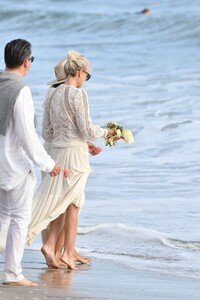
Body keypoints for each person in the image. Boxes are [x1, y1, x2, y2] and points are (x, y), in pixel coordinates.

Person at [26, 50, 117, 270]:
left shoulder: (51, 93)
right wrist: (109, 133)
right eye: (87, 75)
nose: (86, 80)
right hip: (74, 156)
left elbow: (48, 133)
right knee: (70, 204)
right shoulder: (78, 94)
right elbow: (87, 129)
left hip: (55, 152)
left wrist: (83, 144)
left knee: (63, 202)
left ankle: (63, 250)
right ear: (79, 72)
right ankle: (59, 250)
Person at [0, 39, 62, 287]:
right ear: (26, 62)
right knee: (19, 218)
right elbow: (27, 136)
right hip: (14, 166)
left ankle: (10, 269)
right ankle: (13, 274)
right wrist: (48, 164)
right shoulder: (21, 90)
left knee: (3, 216)